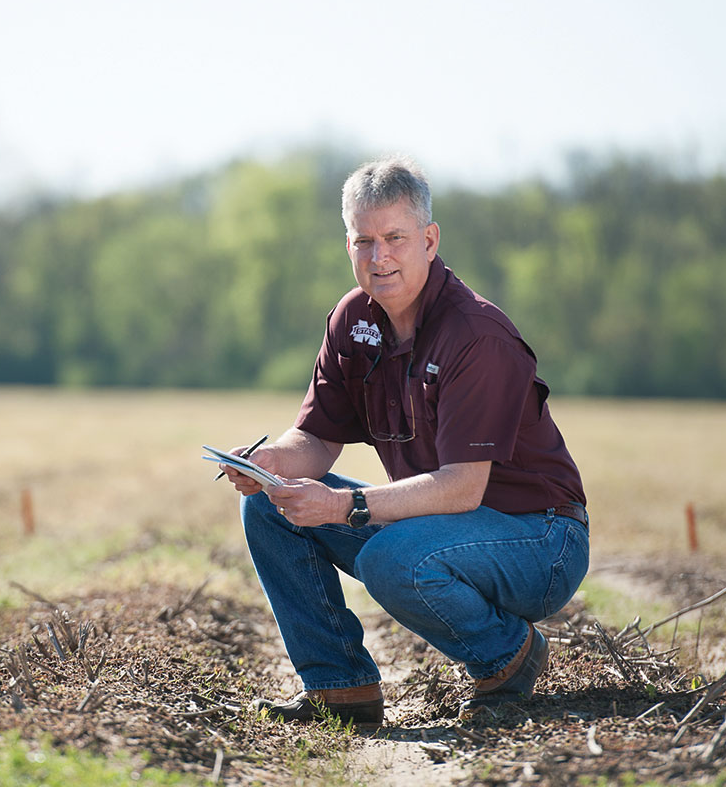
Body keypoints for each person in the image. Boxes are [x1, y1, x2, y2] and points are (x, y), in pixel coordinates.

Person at [218, 156, 589, 726]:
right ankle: (340, 689)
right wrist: (268, 463)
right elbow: (315, 439)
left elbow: (463, 488)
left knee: (391, 557)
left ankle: (507, 657)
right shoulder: (352, 320)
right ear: (348, 245)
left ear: (430, 239)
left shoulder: (476, 335)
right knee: (273, 509)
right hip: (435, 523)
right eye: (364, 240)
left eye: (395, 237)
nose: (379, 256)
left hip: (539, 538)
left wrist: (343, 505)